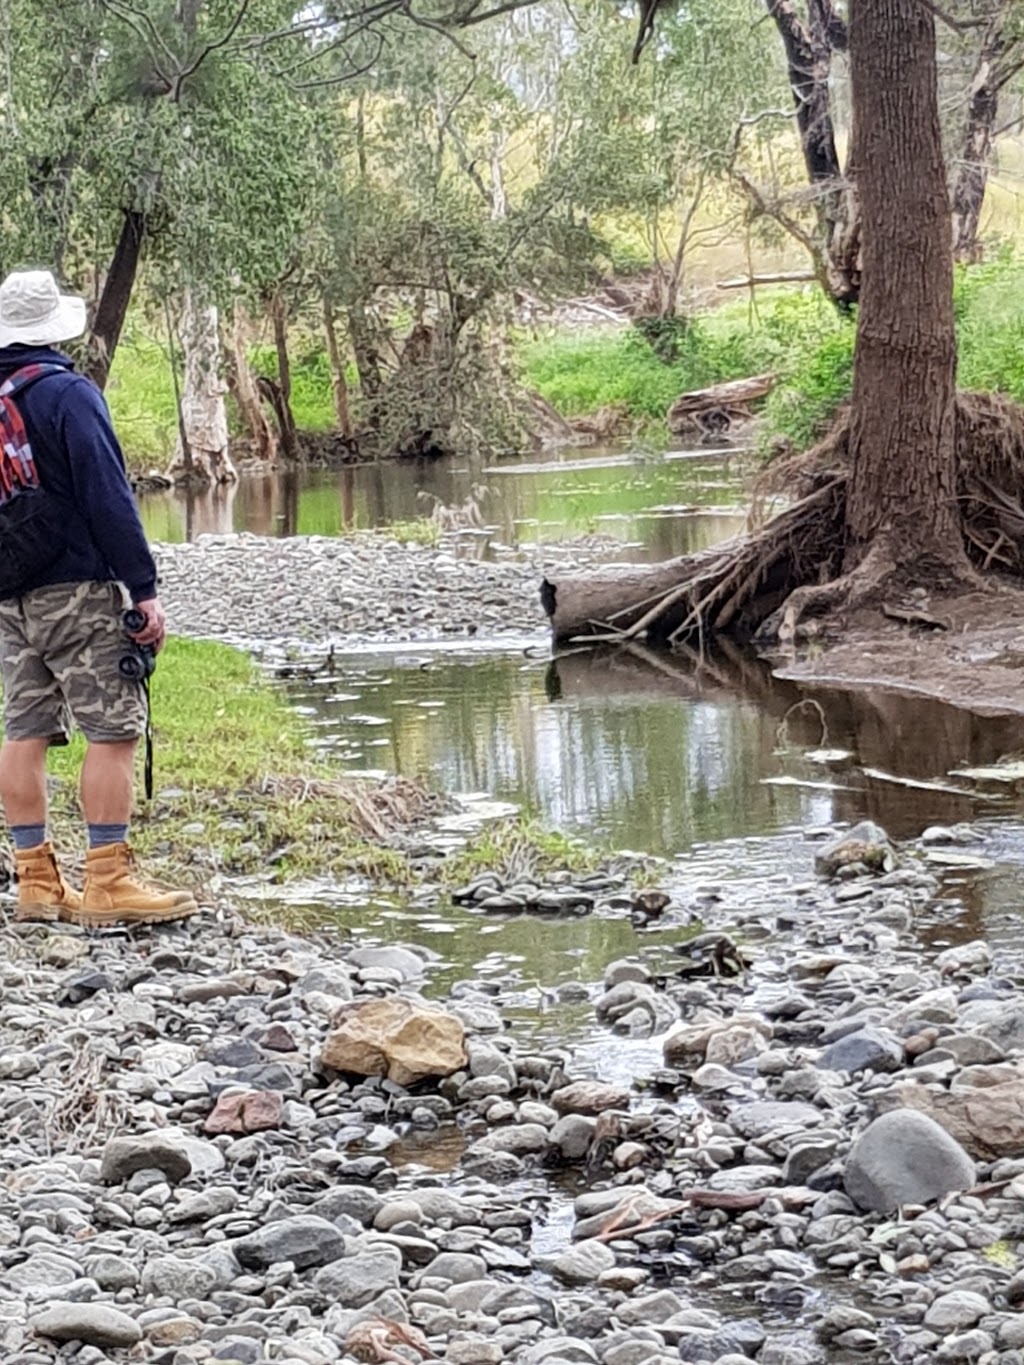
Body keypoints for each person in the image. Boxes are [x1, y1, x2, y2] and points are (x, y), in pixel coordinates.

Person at [0, 268, 197, 927]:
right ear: (56, 329)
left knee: (24, 728)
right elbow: (108, 496)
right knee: (112, 730)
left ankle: (35, 879)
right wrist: (143, 589)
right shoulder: (68, 394)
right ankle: (107, 879)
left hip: (9, 597)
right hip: (80, 591)